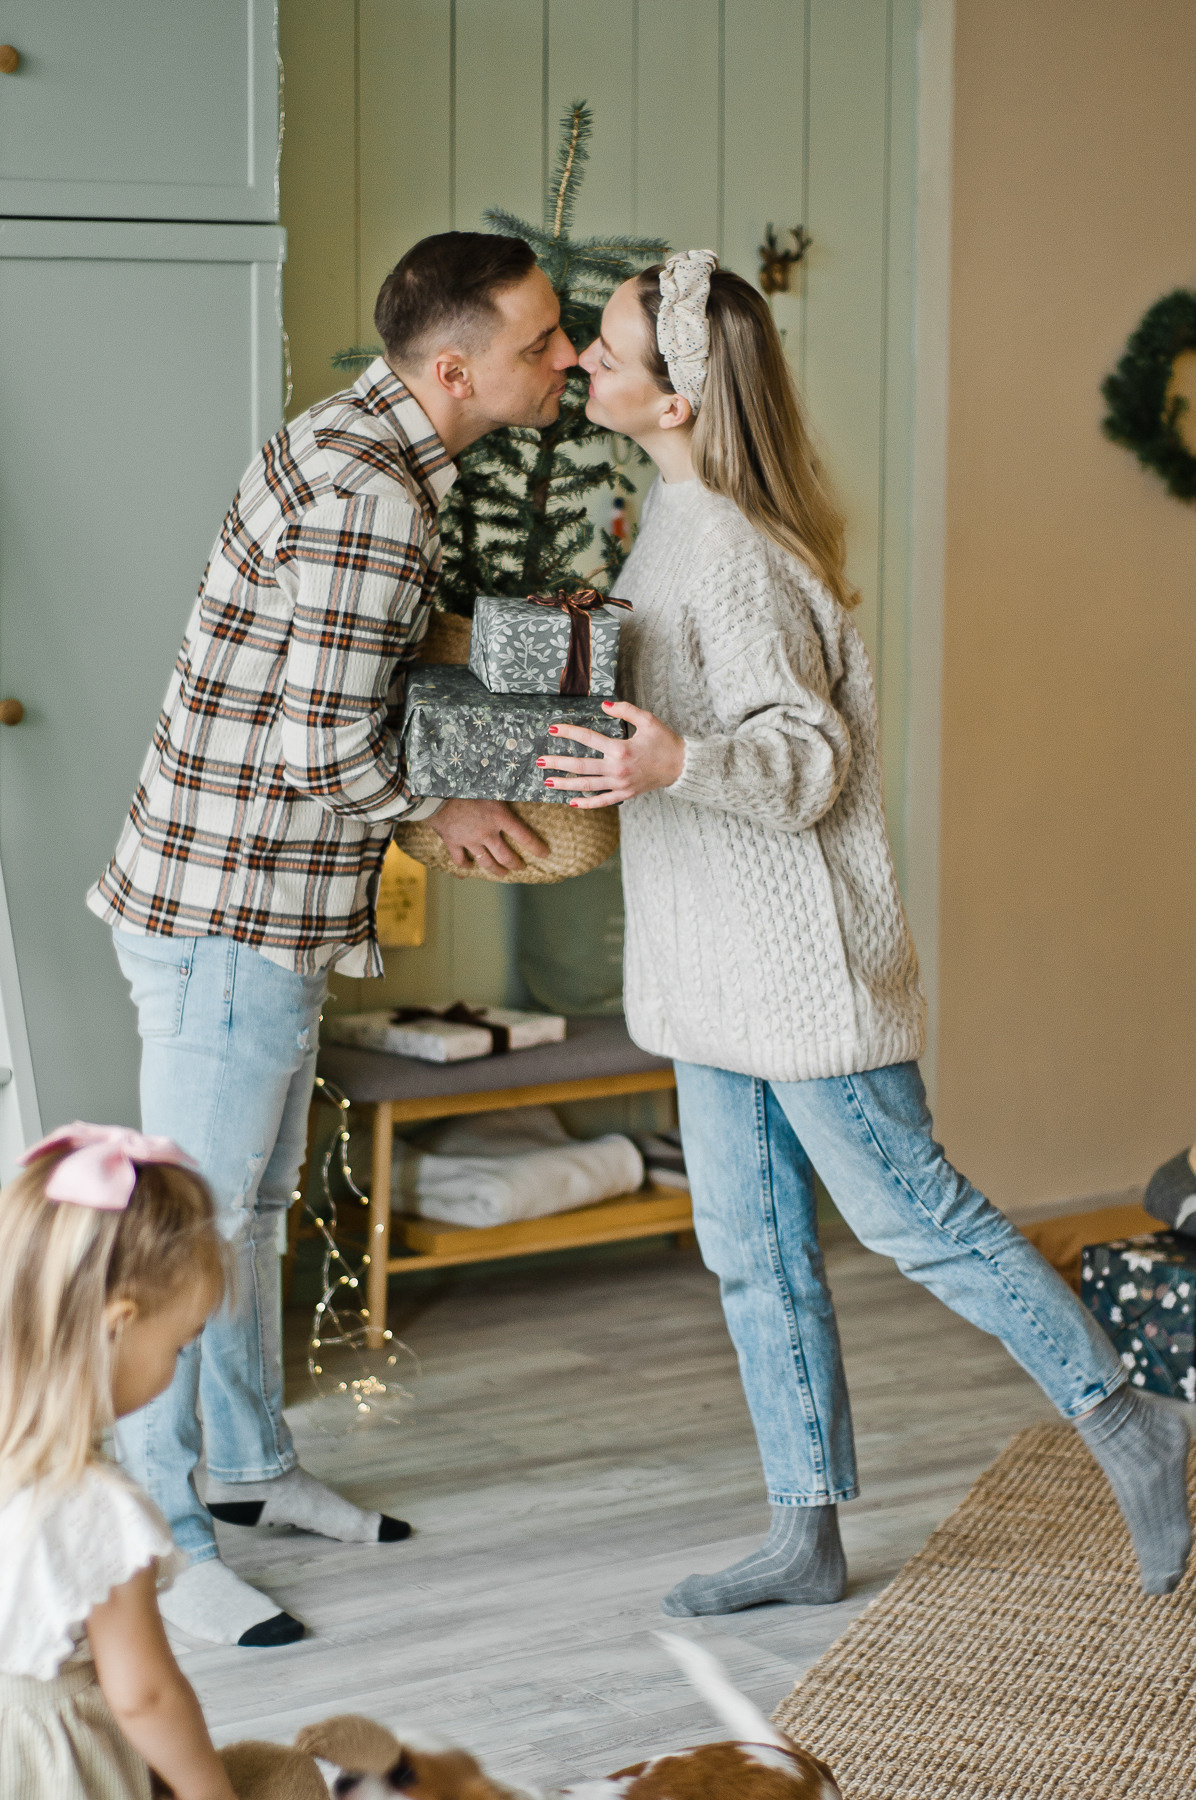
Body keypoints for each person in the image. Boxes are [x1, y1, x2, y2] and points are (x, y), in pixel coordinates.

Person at [540, 249, 1193, 1609]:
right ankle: (804, 1533)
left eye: (607, 345)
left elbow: (805, 761)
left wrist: (674, 763)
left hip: (800, 973)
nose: (585, 359)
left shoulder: (735, 553)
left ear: (677, 399)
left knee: (921, 1224)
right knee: (752, 1257)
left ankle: (1129, 1422)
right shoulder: (668, 523)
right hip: (709, 973)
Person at [87, 231, 576, 1646]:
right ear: (455, 369)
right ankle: (157, 1545)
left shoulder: (362, 442)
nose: (563, 358)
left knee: (243, 1212)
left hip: (241, 905)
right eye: (541, 342)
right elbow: (324, 749)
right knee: (179, 1238)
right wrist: (445, 810)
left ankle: (247, 1468)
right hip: (233, 915)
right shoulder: (374, 494)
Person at [0, 1123, 238, 1800]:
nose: (179, 1364)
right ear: (117, 1325)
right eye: (181, 1345)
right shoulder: (95, 1507)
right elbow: (145, 1695)